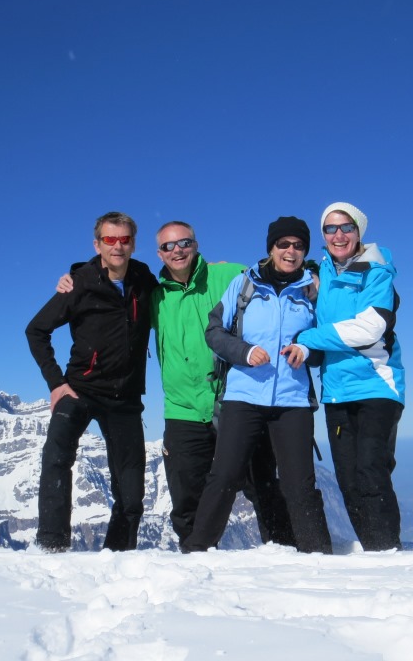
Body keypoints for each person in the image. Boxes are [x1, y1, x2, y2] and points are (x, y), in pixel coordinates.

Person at [57, 221, 295, 549]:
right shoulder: (153, 296)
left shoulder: (228, 277)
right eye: (168, 246)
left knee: (261, 486)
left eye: (184, 243)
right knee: (186, 504)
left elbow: (275, 268)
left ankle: (286, 557)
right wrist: (78, 273)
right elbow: (115, 283)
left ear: (195, 245)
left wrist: (310, 271)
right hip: (182, 411)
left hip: (234, 402)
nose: (177, 251)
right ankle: (195, 568)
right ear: (159, 254)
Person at [183, 216, 332, 554]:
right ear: (270, 248)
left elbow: (323, 345)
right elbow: (214, 332)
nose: (290, 251)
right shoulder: (244, 284)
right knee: (224, 476)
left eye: (298, 246)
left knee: (300, 484)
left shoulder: (313, 291)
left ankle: (319, 557)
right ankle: (197, 550)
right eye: (283, 244)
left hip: (292, 401)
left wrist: (306, 349)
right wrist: (245, 351)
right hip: (243, 397)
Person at [25, 211, 158, 552]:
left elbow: (177, 290)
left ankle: (118, 554)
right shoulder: (80, 283)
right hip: (80, 389)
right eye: (110, 240)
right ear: (97, 244)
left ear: (133, 243)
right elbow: (36, 330)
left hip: (125, 397)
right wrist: (56, 383)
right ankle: (52, 546)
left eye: (124, 240)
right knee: (55, 457)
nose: (118, 246)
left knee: (131, 490)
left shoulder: (144, 279)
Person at [296, 202, 406, 551]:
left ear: (359, 232)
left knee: (371, 471)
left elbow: (370, 327)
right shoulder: (321, 272)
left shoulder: (376, 271)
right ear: (323, 236)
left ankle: (388, 551)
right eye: (330, 229)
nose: (338, 234)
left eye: (346, 227)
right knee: (348, 479)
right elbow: (279, 265)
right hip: (336, 392)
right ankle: (376, 550)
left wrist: (309, 339)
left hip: (376, 384)